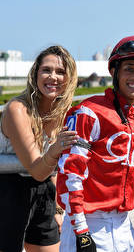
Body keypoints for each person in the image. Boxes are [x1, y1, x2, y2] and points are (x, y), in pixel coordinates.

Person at [56, 36, 134, 252]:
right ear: (114, 71)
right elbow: (70, 174)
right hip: (88, 223)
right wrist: (81, 231)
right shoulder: (88, 113)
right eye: (129, 69)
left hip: (124, 226)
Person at [0, 45, 79, 252]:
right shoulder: (18, 109)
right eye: (47, 70)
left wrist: (57, 208)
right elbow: (37, 169)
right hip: (8, 189)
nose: (53, 77)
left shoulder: (63, 113)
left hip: (44, 188)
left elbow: (51, 170)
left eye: (61, 72)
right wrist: (56, 148)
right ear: (35, 74)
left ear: (69, 79)